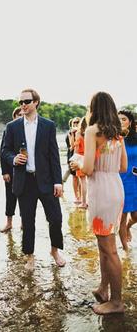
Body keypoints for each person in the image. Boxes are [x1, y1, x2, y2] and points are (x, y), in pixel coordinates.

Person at [71, 92, 127, 315]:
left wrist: (77, 164)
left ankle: (116, 302)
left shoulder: (93, 130)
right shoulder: (118, 134)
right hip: (115, 186)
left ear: (94, 108)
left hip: (101, 190)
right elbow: (123, 168)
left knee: (109, 249)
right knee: (104, 243)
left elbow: (88, 169)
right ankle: (104, 289)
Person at [2, 88, 65, 270]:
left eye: (27, 101)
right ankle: (29, 256)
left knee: (56, 218)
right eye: (20, 102)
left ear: (36, 102)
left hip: (46, 180)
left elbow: (54, 156)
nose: (23, 105)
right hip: (24, 180)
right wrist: (13, 158)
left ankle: (55, 251)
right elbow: (5, 150)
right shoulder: (12, 127)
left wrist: (58, 181)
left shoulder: (48, 125)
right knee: (28, 221)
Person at [0, 107, 23, 233]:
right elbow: (3, 151)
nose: (20, 117)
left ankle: (24, 222)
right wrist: (4, 171)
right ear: (14, 117)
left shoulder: (28, 129)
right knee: (10, 197)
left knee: (24, 197)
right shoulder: (8, 130)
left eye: (22, 115)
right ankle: (9, 223)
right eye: (18, 115)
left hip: (25, 171)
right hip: (10, 169)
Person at [117, 110, 137, 250]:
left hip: (135, 180)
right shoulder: (114, 138)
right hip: (120, 181)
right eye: (118, 119)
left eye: (124, 119)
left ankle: (130, 226)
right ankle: (125, 248)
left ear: (130, 122)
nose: (121, 122)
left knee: (135, 216)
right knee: (122, 217)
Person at [65, 117, 81, 202]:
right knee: (75, 177)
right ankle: (76, 196)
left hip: (80, 157)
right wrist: (72, 135)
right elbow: (71, 147)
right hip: (72, 157)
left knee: (81, 177)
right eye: (74, 122)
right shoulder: (69, 134)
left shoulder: (83, 133)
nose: (75, 124)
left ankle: (82, 196)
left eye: (77, 122)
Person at [74, 117, 88, 209]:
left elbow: (76, 147)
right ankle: (87, 200)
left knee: (82, 181)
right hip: (87, 157)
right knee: (87, 181)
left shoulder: (78, 133)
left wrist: (74, 159)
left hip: (80, 157)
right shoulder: (89, 133)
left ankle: (83, 202)